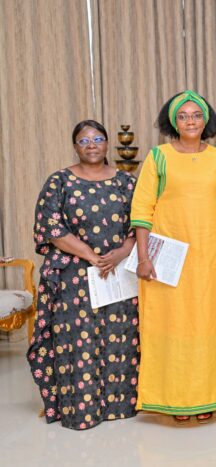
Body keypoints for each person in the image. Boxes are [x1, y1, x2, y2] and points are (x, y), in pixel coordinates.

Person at [131, 90, 216, 423]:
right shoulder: (158, 157)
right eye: (183, 116)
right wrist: (143, 257)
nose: (190, 121)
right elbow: (142, 210)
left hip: (211, 258)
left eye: (196, 115)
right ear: (173, 122)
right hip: (168, 261)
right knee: (172, 324)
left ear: (206, 121)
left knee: (210, 323)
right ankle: (175, 397)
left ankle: (208, 396)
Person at [28, 120, 139, 430]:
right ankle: (82, 411)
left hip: (117, 274)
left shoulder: (126, 182)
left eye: (98, 138)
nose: (91, 145)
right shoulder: (59, 181)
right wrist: (91, 256)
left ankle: (120, 406)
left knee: (120, 338)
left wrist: (120, 253)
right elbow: (50, 226)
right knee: (78, 342)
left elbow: (141, 224)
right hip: (73, 276)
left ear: (107, 144)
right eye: (84, 140)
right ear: (75, 146)